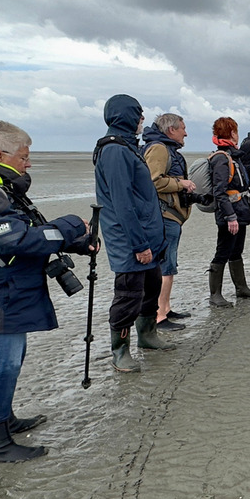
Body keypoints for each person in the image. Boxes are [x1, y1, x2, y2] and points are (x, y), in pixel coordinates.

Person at [0, 120, 92, 462]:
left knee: (12, 359)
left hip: (2, 290)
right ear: (1, 155)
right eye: (24, 156)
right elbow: (9, 238)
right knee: (2, 365)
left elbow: (26, 229)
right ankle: (0, 444)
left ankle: (6, 419)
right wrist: (68, 226)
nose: (29, 163)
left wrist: (77, 242)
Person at [93, 93, 172, 373]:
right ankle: (120, 351)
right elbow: (122, 202)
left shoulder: (128, 147)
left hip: (146, 236)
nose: (141, 119)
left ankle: (148, 335)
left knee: (151, 288)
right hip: (129, 240)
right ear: (124, 116)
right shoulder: (114, 151)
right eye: (137, 113)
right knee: (128, 295)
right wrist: (139, 244)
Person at [142, 112, 196, 331]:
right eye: (183, 128)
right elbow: (152, 181)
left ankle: (164, 307)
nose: (186, 132)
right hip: (164, 216)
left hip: (169, 216)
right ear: (171, 130)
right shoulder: (159, 149)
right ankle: (159, 315)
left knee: (168, 265)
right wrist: (181, 184)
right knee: (166, 266)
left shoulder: (163, 148)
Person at [207, 117, 250, 307]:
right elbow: (220, 192)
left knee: (236, 250)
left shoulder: (232, 157)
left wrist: (246, 210)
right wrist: (230, 216)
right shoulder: (222, 158)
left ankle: (241, 288)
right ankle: (215, 295)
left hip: (239, 212)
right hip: (228, 215)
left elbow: (239, 188)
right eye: (236, 131)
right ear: (232, 133)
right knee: (223, 251)